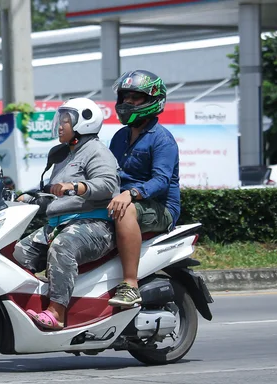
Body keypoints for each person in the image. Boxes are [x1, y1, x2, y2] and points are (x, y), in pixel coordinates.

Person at [13, 97, 119, 331]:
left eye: (66, 120)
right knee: (18, 253)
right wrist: (25, 197)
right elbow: (50, 192)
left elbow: (107, 184)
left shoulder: (96, 151)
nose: (60, 125)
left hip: (94, 225)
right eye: (60, 120)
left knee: (63, 246)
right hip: (59, 224)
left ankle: (57, 313)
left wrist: (76, 187)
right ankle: (27, 304)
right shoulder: (63, 154)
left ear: (84, 123)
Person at [106, 70, 181, 308]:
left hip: (160, 207)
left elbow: (161, 181)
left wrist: (131, 194)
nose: (127, 102)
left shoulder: (162, 139)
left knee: (125, 210)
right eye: (124, 97)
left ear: (152, 100)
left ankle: (130, 285)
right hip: (126, 201)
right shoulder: (119, 137)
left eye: (135, 97)